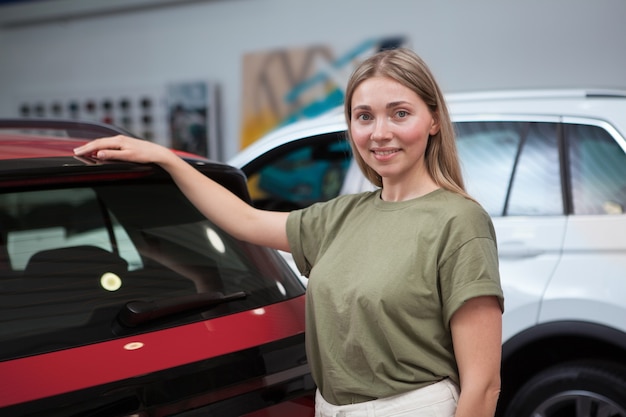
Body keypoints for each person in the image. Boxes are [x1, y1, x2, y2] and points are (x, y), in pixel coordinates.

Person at [75, 47, 504, 417]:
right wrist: (165, 158)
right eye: (364, 116)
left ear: (433, 121)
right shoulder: (342, 216)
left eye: (400, 113)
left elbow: (483, 385)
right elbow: (244, 220)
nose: (380, 133)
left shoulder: (458, 220)